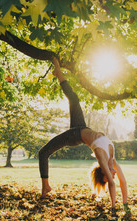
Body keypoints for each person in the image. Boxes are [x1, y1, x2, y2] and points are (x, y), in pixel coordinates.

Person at [39, 57, 128, 208]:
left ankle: (45, 186)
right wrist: (125, 203)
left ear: (105, 175)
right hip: (80, 126)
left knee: (43, 153)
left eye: (109, 177)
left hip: (74, 136)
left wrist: (114, 206)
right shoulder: (112, 160)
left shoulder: (102, 159)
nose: (113, 175)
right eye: (112, 175)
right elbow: (123, 182)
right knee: (74, 98)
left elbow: (113, 184)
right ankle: (58, 72)